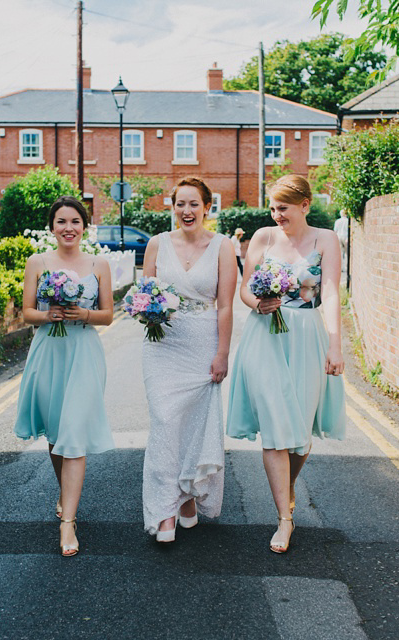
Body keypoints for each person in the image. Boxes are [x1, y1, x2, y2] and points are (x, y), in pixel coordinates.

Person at [226, 174, 347, 553]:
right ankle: (284, 518)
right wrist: (257, 303)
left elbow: (328, 291)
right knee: (276, 427)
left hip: (307, 336)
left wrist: (335, 345)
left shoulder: (325, 239)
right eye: (273, 208)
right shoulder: (262, 238)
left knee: (300, 433)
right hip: (265, 338)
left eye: (284, 208)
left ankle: (288, 483)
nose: (277, 215)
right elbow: (244, 287)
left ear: (305, 205)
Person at [13, 196, 114, 556]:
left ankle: (68, 523)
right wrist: (50, 314)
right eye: (61, 222)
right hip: (48, 352)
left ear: (84, 226)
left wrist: (80, 315)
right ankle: (65, 493)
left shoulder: (98, 263)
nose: (68, 228)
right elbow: (27, 311)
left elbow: (107, 315)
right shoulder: (37, 262)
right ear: (51, 227)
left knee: (73, 430)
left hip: (84, 352)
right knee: (56, 433)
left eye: (74, 221)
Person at [141, 177, 237, 542]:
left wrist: (222, 353)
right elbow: (144, 292)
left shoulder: (223, 247)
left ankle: (186, 497)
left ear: (207, 207)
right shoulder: (156, 244)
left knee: (194, 424)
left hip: (202, 343)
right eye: (180, 204)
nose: (186, 211)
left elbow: (226, 305)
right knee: (165, 422)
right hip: (162, 344)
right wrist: (145, 309)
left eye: (194, 204)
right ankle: (165, 512)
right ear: (172, 207)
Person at [333, 210, 350, 277]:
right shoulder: (347, 221)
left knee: (340, 253)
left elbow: (335, 230)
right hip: (345, 237)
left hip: (338, 237)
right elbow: (349, 230)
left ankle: (341, 268)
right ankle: (346, 267)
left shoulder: (337, 221)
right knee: (346, 253)